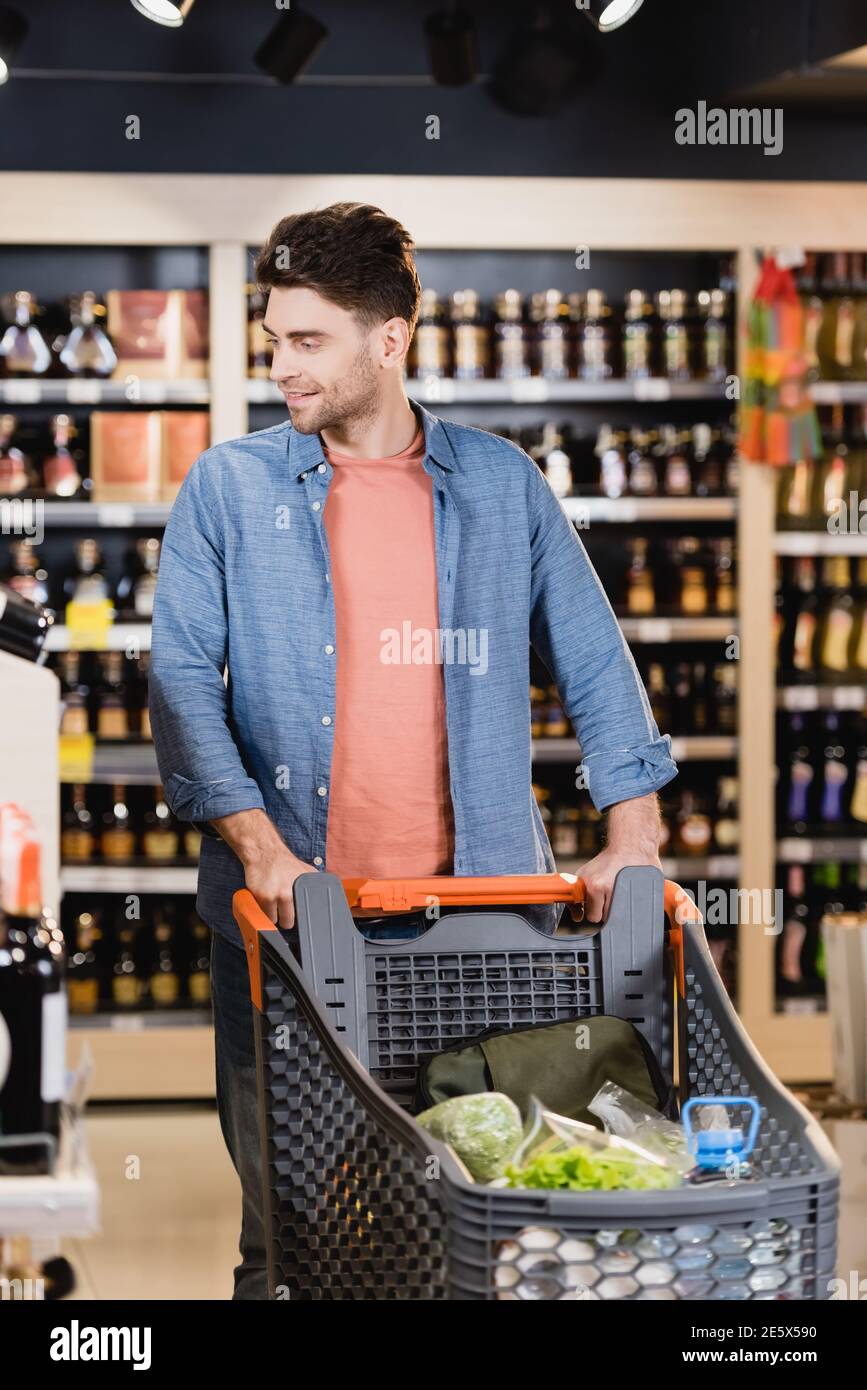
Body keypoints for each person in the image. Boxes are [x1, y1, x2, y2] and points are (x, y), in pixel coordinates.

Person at [149, 202, 678, 1299]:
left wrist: (632, 832)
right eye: (272, 335)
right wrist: (259, 848)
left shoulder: (501, 484)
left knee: (482, 1214)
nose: (278, 362)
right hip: (293, 934)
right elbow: (182, 682)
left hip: (476, 927)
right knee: (288, 1242)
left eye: (307, 340)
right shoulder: (229, 490)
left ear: (388, 339)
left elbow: (595, 658)